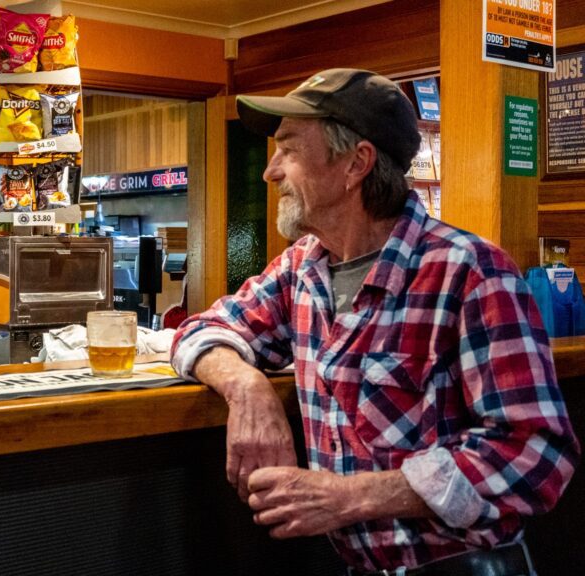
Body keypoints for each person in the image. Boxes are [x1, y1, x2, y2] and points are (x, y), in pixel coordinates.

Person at [171, 69, 580, 575]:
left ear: (356, 163)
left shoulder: (469, 271)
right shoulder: (302, 269)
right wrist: (245, 386)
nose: (269, 171)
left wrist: (354, 498)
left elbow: (536, 455)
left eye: (290, 150)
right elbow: (199, 330)